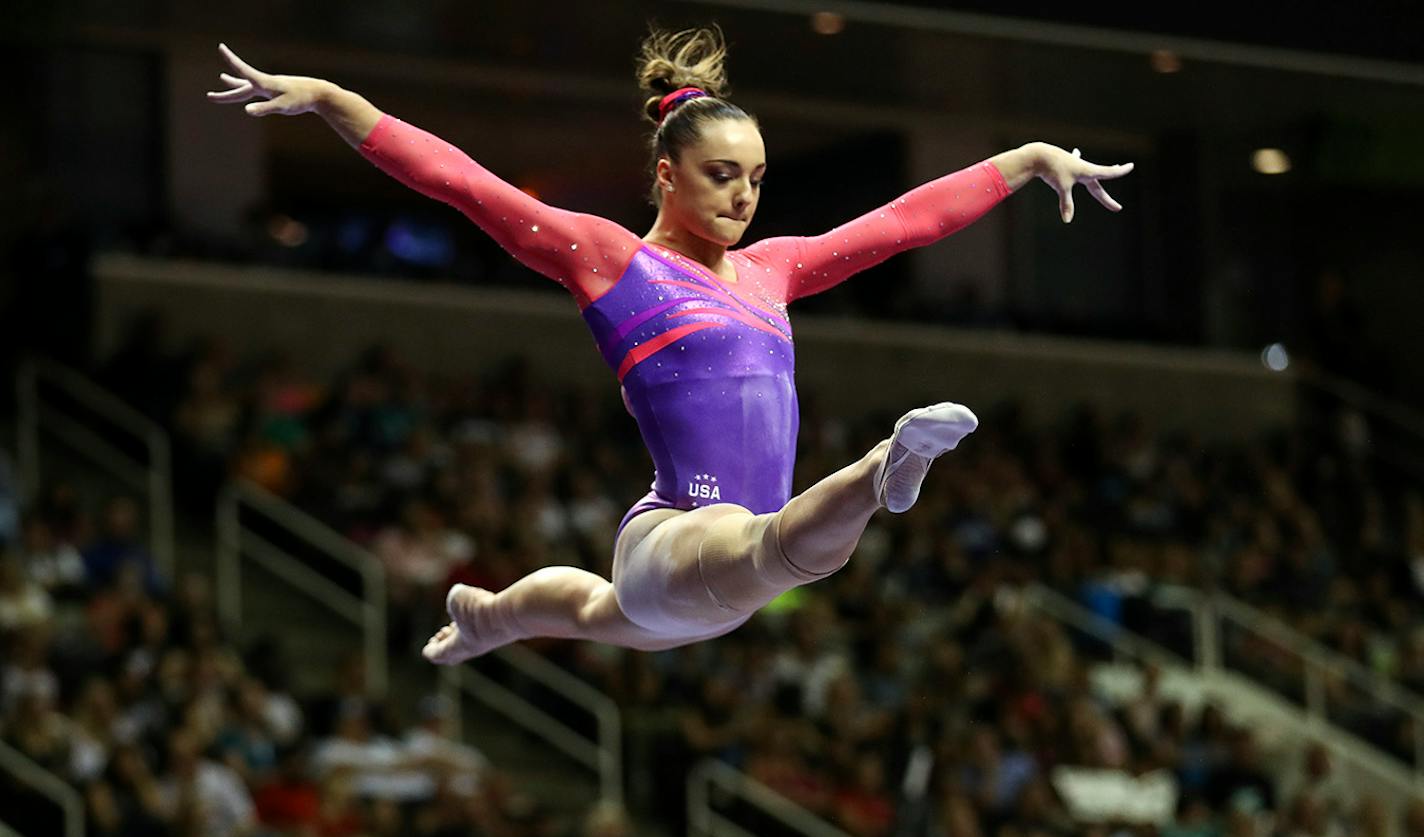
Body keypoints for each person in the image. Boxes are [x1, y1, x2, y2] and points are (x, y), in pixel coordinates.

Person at [208, 29, 1132, 660]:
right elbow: (467, 187)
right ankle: (889, 464)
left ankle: (487, 618)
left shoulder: (774, 270)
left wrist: (1025, 160)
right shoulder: (615, 265)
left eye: (758, 180)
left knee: (581, 610)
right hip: (683, 535)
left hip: (703, 591)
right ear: (665, 173)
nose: (743, 198)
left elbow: (900, 224)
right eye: (722, 176)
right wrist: (335, 100)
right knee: (771, 549)